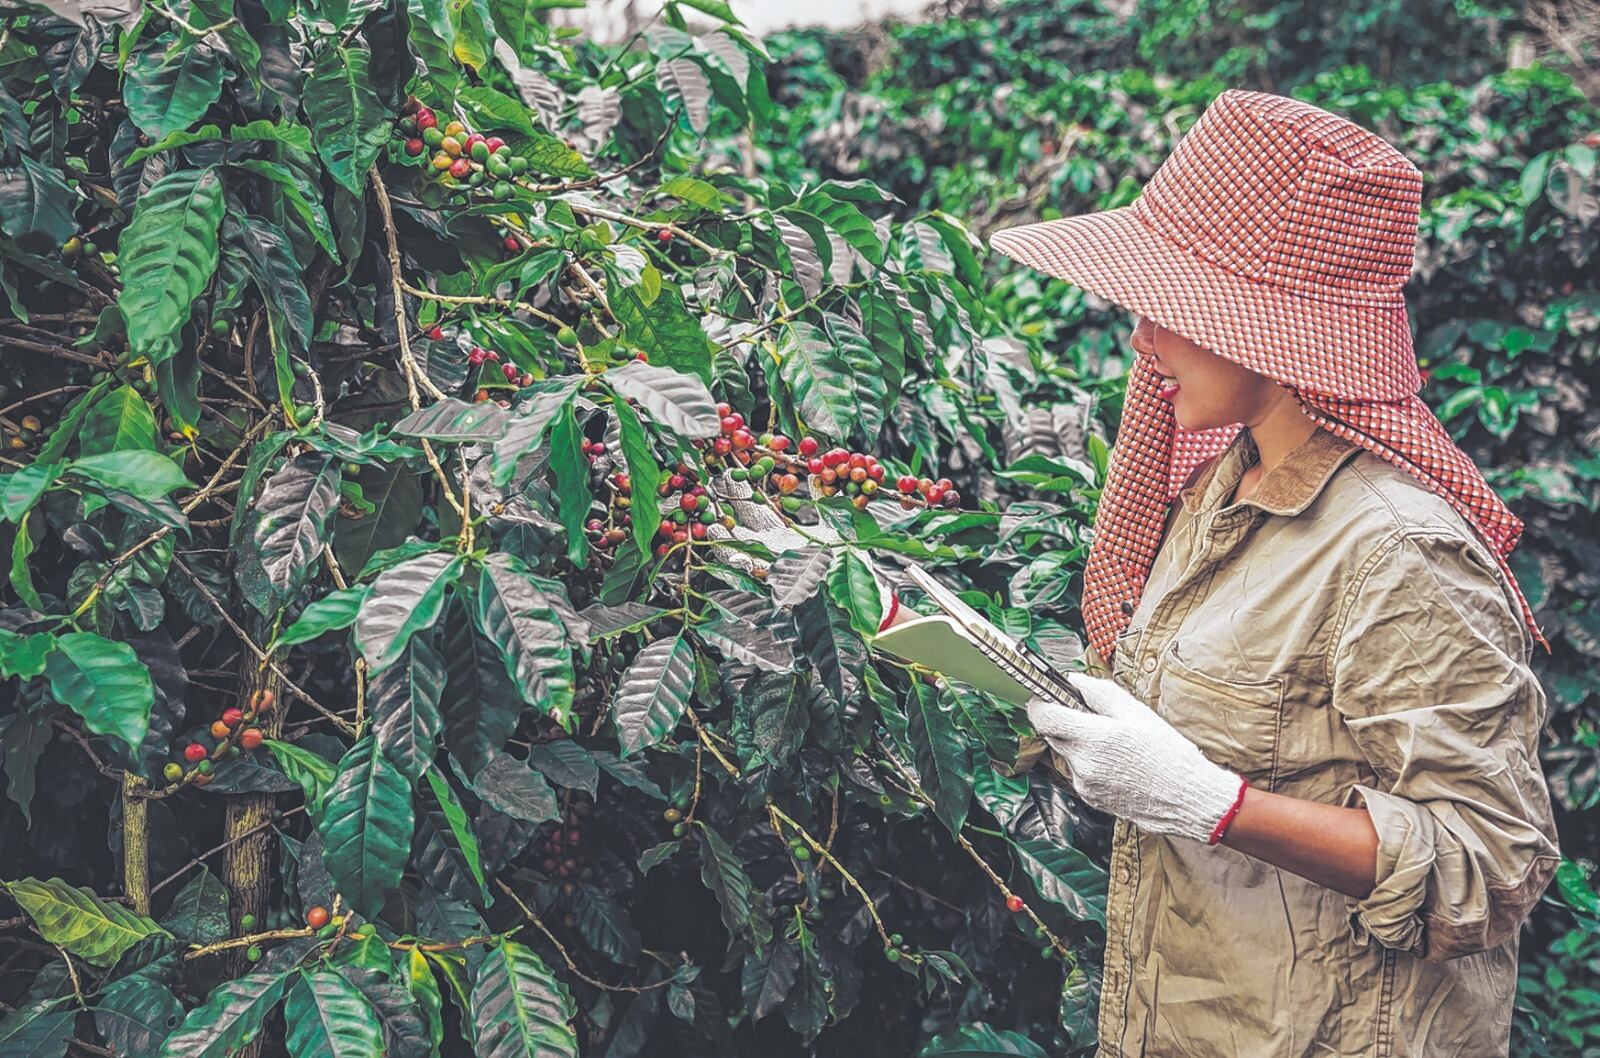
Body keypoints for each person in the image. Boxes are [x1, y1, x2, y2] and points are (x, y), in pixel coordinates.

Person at [977, 89, 1562, 1058]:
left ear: (1272, 328)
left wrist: (1217, 805)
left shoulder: (1394, 548)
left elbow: (1489, 862)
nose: (1141, 339)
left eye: (1174, 306)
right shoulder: (1222, 488)